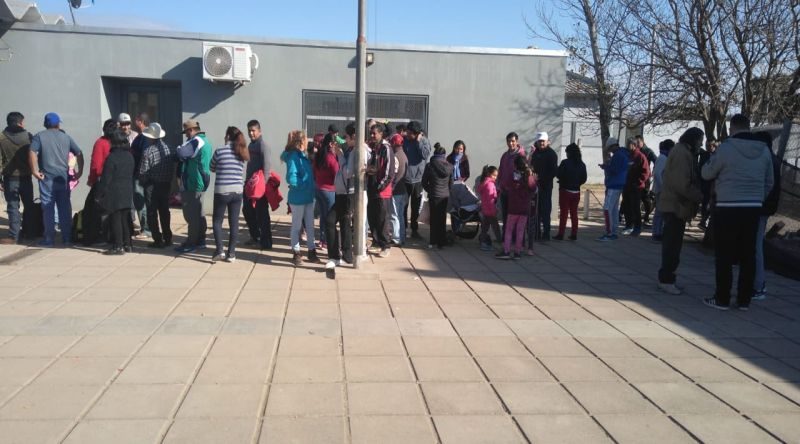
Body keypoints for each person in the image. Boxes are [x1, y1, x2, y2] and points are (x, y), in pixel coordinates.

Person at [701, 114, 773, 311]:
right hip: (753, 207)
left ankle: (722, 298)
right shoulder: (764, 150)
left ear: (732, 128)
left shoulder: (726, 148)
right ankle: (744, 300)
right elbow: (770, 182)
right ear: (749, 127)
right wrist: (758, 197)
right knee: (748, 255)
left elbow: (707, 173)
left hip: (727, 206)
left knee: (724, 254)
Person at [656, 128, 704, 295]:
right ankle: (666, 279)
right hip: (675, 206)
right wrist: (699, 196)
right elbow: (681, 184)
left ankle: (668, 277)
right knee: (672, 246)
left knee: (673, 245)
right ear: (693, 139)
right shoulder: (682, 154)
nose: (702, 144)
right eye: (700, 140)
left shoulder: (683, 152)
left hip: (676, 206)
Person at [29, 112, 84, 247]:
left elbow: (32, 152)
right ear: (58, 124)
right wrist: (80, 171)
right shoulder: (66, 137)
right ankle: (67, 238)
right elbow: (79, 153)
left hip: (47, 177)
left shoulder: (39, 136)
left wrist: (34, 171)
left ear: (45, 124)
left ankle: (49, 239)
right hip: (63, 178)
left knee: (48, 208)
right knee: (64, 208)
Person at [325, 123, 364, 269]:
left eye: (347, 137)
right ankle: (342, 256)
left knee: (337, 222)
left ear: (354, 136)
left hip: (348, 194)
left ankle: (340, 256)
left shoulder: (355, 152)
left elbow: (348, 173)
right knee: (341, 223)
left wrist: (340, 155)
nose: (345, 139)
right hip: (342, 193)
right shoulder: (351, 150)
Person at [210, 126, 249, 263]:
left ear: (227, 136)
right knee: (234, 222)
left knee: (217, 221)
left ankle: (219, 250)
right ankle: (231, 253)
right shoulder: (241, 152)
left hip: (222, 190)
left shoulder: (220, 151)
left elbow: (211, 167)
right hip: (237, 191)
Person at [282, 130, 319, 266]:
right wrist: (304, 185)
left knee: (310, 225)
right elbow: (291, 178)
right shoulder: (294, 157)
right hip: (298, 197)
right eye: (306, 140)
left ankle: (311, 250)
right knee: (297, 225)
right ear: (301, 142)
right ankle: (296, 251)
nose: (307, 142)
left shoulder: (302, 156)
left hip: (308, 196)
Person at [752, 131, 782, 301]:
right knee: (755, 246)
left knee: (756, 247)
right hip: (763, 208)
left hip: (760, 208)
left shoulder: (766, 160)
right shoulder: (772, 159)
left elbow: (768, 186)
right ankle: (757, 283)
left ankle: (758, 285)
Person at [175, 119, 212, 253]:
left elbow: (180, 152)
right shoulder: (205, 141)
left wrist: (179, 148)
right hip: (200, 181)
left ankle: (191, 243)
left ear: (191, 130)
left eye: (186, 132)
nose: (186, 136)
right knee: (199, 214)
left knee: (192, 216)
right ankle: (201, 240)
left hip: (193, 183)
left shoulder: (196, 141)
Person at [138, 123, 176, 248]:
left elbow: (143, 172)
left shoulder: (148, 152)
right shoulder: (170, 149)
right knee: (165, 211)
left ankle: (157, 239)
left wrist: (142, 182)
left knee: (152, 213)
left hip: (152, 185)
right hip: (166, 184)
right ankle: (168, 237)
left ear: (150, 137)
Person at [97, 129, 134, 255]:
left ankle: (118, 246)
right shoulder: (129, 156)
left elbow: (106, 179)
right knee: (125, 219)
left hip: (115, 191)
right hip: (127, 189)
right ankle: (128, 244)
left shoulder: (111, 158)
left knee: (116, 219)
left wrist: (99, 194)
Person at [0, 112, 33, 244]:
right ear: (20, 123)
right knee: (29, 206)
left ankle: (14, 235)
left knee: (13, 207)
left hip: (10, 178)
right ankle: (29, 233)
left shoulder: (1, 138)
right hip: (26, 177)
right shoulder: (29, 137)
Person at [497, 155, 536, 259]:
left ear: (515, 165)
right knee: (520, 230)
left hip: (513, 207)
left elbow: (505, 185)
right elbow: (534, 188)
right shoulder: (529, 176)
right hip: (525, 208)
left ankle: (506, 251)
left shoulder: (513, 175)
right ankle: (517, 252)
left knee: (509, 230)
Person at [366, 123, 395, 257]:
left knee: (382, 219)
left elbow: (389, 172)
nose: (372, 135)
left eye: (374, 133)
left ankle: (386, 245)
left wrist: (380, 186)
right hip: (372, 189)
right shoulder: (373, 148)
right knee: (372, 217)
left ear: (381, 134)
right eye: (371, 133)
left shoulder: (386, 148)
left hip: (382, 192)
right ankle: (376, 242)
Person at [243, 119, 273, 250]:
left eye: (253, 130)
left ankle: (266, 242)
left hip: (259, 188)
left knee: (262, 215)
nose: (251, 133)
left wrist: (261, 188)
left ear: (259, 131)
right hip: (249, 185)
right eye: (249, 131)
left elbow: (267, 169)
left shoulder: (263, 146)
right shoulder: (251, 145)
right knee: (247, 211)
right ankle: (255, 236)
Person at [403, 120, 431, 239]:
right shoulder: (405, 141)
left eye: (410, 133)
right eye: (407, 132)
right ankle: (403, 229)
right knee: (404, 206)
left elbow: (425, 155)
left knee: (415, 207)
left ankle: (414, 229)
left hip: (418, 180)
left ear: (417, 134)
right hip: (405, 179)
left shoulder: (424, 141)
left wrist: (419, 142)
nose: (408, 135)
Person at [422, 143, 453, 249]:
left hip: (434, 195)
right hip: (444, 196)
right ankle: (441, 242)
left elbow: (424, 182)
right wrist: (447, 191)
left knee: (433, 219)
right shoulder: (449, 166)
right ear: (444, 155)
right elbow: (451, 183)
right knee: (442, 218)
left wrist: (430, 190)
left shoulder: (429, 166)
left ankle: (433, 241)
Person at [554, 143, 587, 240]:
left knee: (564, 213)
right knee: (574, 213)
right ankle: (574, 233)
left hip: (565, 190)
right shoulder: (582, 164)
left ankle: (561, 234)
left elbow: (559, 174)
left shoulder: (565, 162)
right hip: (576, 191)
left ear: (569, 153)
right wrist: (577, 183)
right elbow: (584, 179)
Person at [597, 137, 628, 241]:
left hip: (613, 185)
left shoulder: (617, 156)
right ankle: (614, 231)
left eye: (610, 148)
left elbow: (614, 170)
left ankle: (609, 233)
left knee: (607, 209)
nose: (610, 151)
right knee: (614, 210)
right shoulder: (623, 154)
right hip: (619, 184)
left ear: (613, 146)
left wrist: (606, 166)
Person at [530, 131, 558, 240]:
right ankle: (536, 232)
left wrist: (541, 178)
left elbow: (553, 171)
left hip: (546, 187)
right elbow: (532, 166)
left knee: (545, 211)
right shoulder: (535, 153)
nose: (541, 143)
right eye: (540, 141)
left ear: (547, 141)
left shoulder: (551, 154)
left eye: (543, 141)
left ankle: (546, 233)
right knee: (536, 211)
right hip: (535, 186)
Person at [313, 133, 339, 251]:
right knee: (330, 219)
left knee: (323, 216)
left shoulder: (319, 155)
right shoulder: (331, 158)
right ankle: (327, 242)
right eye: (335, 143)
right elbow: (337, 174)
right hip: (329, 190)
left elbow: (314, 171)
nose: (336, 146)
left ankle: (322, 240)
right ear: (331, 144)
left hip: (319, 189)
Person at [498, 132, 526, 234]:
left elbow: (524, 173)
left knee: (514, 216)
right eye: (509, 141)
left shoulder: (521, 155)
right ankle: (506, 236)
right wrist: (499, 185)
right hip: (504, 190)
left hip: (515, 192)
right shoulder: (505, 155)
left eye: (513, 141)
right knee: (505, 215)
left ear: (517, 141)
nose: (511, 143)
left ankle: (515, 237)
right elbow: (501, 170)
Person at [622, 137, 650, 236]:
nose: (627, 146)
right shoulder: (628, 156)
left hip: (636, 187)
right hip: (626, 185)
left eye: (629, 144)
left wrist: (638, 182)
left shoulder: (640, 156)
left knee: (635, 207)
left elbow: (646, 172)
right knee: (626, 206)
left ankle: (637, 227)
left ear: (634, 145)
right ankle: (628, 225)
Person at [129, 112, 150, 239]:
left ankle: (146, 229)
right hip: (139, 173)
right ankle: (146, 228)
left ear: (140, 122)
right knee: (141, 201)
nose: (134, 122)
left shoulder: (145, 137)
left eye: (136, 120)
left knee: (140, 201)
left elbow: (144, 156)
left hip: (140, 174)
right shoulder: (141, 136)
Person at [651, 139, 675, 242]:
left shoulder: (665, 158)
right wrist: (663, 187)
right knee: (660, 213)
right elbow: (657, 174)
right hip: (661, 190)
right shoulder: (662, 158)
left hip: (662, 189)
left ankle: (658, 232)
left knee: (661, 212)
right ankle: (656, 233)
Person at [389, 133, 408, 246]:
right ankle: (402, 236)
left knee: (394, 215)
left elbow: (393, 175)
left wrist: (390, 187)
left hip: (395, 190)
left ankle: (396, 238)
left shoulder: (395, 156)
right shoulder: (404, 155)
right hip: (402, 190)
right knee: (400, 215)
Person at [477, 166, 501, 251]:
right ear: (489, 174)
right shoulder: (490, 185)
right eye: (494, 175)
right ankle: (501, 243)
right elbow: (491, 199)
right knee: (496, 227)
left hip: (485, 209)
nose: (495, 177)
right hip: (491, 210)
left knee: (485, 227)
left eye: (496, 175)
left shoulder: (484, 182)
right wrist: (494, 210)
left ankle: (483, 242)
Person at [636, 135, 658, 225]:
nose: (637, 144)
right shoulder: (636, 150)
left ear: (642, 141)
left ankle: (646, 217)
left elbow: (656, 160)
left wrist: (653, 171)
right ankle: (636, 218)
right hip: (636, 178)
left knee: (645, 198)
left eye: (638, 142)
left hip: (645, 178)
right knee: (636, 198)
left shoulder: (648, 151)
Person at [697, 136, 717, 230]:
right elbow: (700, 167)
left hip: (714, 183)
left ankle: (705, 220)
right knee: (705, 203)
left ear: (714, 146)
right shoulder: (703, 155)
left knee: (712, 203)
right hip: (705, 183)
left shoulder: (718, 155)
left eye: (709, 146)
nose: (708, 147)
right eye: (706, 145)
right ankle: (703, 220)